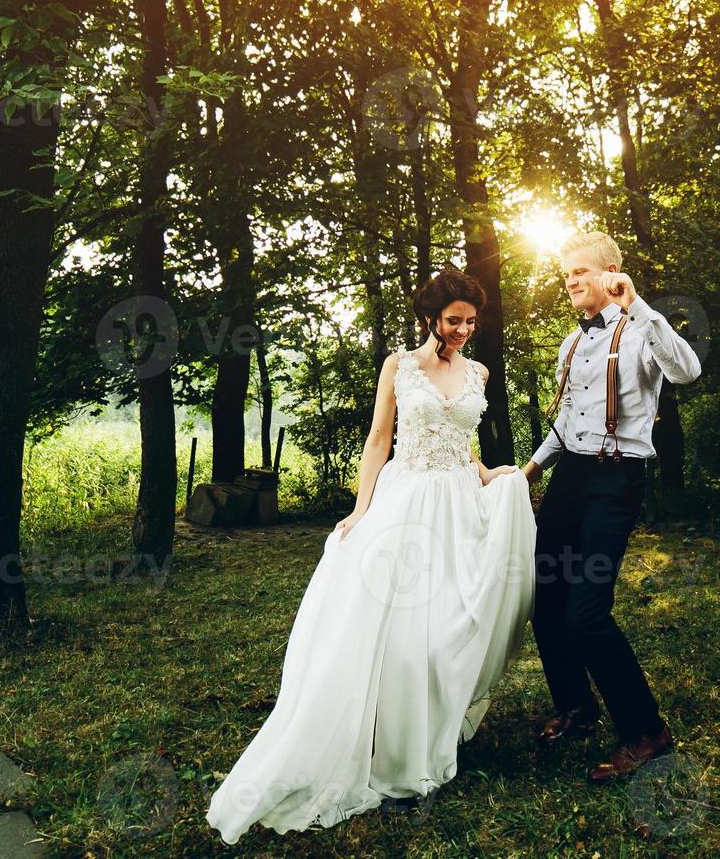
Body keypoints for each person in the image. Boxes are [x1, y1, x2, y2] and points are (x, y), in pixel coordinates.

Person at [206, 267, 536, 845]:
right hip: (406, 500)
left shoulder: (478, 371)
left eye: (471, 321)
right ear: (431, 317)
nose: (463, 330)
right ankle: (385, 740)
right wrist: (361, 510)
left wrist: (490, 475)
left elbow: (467, 441)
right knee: (399, 626)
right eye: (454, 320)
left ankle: (431, 727)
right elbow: (379, 439)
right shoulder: (400, 367)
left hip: (459, 500)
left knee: (448, 626)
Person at [519, 230, 702, 781]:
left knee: (587, 614)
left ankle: (647, 730)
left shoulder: (642, 330)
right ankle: (575, 702)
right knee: (545, 596)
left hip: (615, 480)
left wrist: (637, 305)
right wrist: (525, 473)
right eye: (565, 273)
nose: (571, 281)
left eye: (580, 271)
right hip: (570, 476)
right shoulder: (569, 345)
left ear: (610, 271)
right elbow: (565, 425)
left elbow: (687, 372)